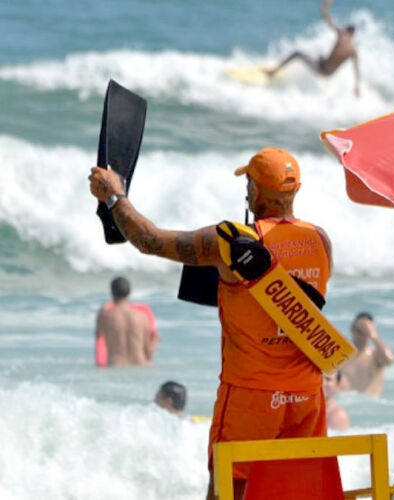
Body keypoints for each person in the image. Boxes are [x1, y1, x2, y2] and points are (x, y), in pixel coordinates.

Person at [89, 147, 335, 500]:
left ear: (255, 191)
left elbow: (151, 241)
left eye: (248, 182)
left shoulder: (230, 242)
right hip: (306, 396)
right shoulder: (320, 240)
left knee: (226, 491)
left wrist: (114, 196)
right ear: (294, 191)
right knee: (293, 492)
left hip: (250, 395)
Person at [266, 0, 361, 96]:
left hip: (321, 68)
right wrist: (357, 87)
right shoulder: (353, 51)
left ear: (346, 30)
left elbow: (328, 19)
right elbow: (356, 69)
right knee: (318, 54)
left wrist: (325, 6)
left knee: (297, 54)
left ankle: (273, 72)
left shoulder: (342, 34)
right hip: (328, 73)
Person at [94, 276, 159, 366]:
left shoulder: (104, 316)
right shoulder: (142, 317)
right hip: (140, 367)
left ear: (111, 292)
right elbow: (148, 354)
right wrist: (155, 341)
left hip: (115, 367)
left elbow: (98, 344)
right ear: (129, 292)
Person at [338, 312, 394, 396]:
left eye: (365, 332)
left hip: (369, 406)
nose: (362, 335)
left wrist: (373, 335)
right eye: (359, 331)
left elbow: (389, 360)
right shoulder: (341, 354)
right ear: (352, 329)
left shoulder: (375, 355)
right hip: (346, 404)